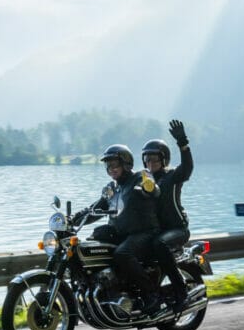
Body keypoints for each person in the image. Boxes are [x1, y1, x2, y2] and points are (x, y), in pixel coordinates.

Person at [76, 143, 165, 316]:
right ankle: (109, 290)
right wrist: (73, 219)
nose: (111, 169)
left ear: (126, 163)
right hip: (122, 234)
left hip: (144, 232)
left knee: (122, 254)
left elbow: (154, 190)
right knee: (92, 245)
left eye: (114, 164)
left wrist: (149, 189)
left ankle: (152, 295)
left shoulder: (140, 177)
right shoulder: (112, 188)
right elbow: (95, 209)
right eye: (108, 165)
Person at [142, 119, 194, 311]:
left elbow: (187, 169)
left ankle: (182, 292)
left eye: (154, 159)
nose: (150, 163)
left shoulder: (171, 177)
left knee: (159, 244)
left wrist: (183, 143)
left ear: (163, 160)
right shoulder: (143, 181)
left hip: (176, 229)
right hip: (156, 230)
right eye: (147, 159)